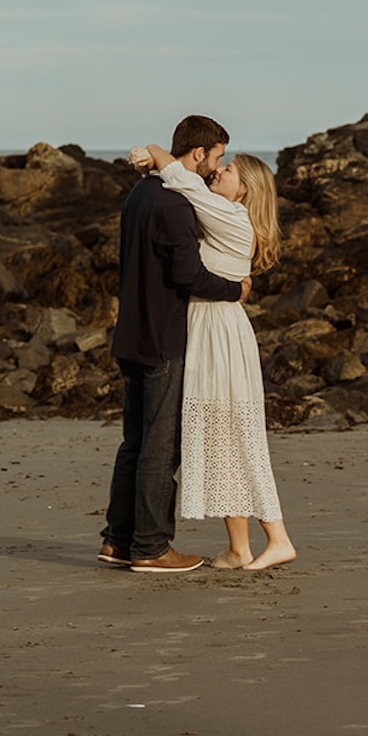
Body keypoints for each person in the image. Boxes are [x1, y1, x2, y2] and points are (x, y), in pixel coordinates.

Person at [130, 142, 296, 571]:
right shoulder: (223, 216)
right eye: (221, 164)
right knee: (220, 438)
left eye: (230, 170)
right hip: (209, 331)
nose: (218, 172)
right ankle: (239, 547)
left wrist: (154, 151)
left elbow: (185, 181)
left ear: (245, 191)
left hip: (220, 335)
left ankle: (278, 537)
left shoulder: (234, 217)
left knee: (236, 435)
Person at [99, 115, 251, 575]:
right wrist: (235, 291)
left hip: (129, 332)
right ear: (199, 153)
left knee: (134, 442)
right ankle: (151, 547)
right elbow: (189, 276)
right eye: (218, 157)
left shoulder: (141, 193)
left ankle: (117, 542)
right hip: (163, 336)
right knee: (160, 448)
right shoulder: (177, 205)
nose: (217, 167)